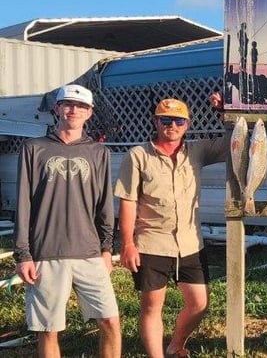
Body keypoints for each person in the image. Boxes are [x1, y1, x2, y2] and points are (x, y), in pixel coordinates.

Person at [114, 94, 228, 358]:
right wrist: (128, 244)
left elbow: (232, 142)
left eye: (178, 120)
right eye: (166, 120)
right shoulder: (138, 156)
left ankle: (176, 344)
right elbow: (128, 201)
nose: (172, 125)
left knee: (199, 303)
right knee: (152, 306)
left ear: (187, 124)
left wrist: (223, 110)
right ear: (156, 122)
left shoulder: (197, 151)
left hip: (190, 243)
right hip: (152, 243)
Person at [13, 84, 121, 357]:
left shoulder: (98, 153)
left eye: (81, 106)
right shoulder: (34, 148)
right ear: (57, 108)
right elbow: (23, 203)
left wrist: (107, 248)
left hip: (89, 252)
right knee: (49, 329)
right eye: (68, 104)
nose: (74, 110)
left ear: (90, 113)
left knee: (110, 321)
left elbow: (104, 205)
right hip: (46, 252)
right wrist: (23, 254)